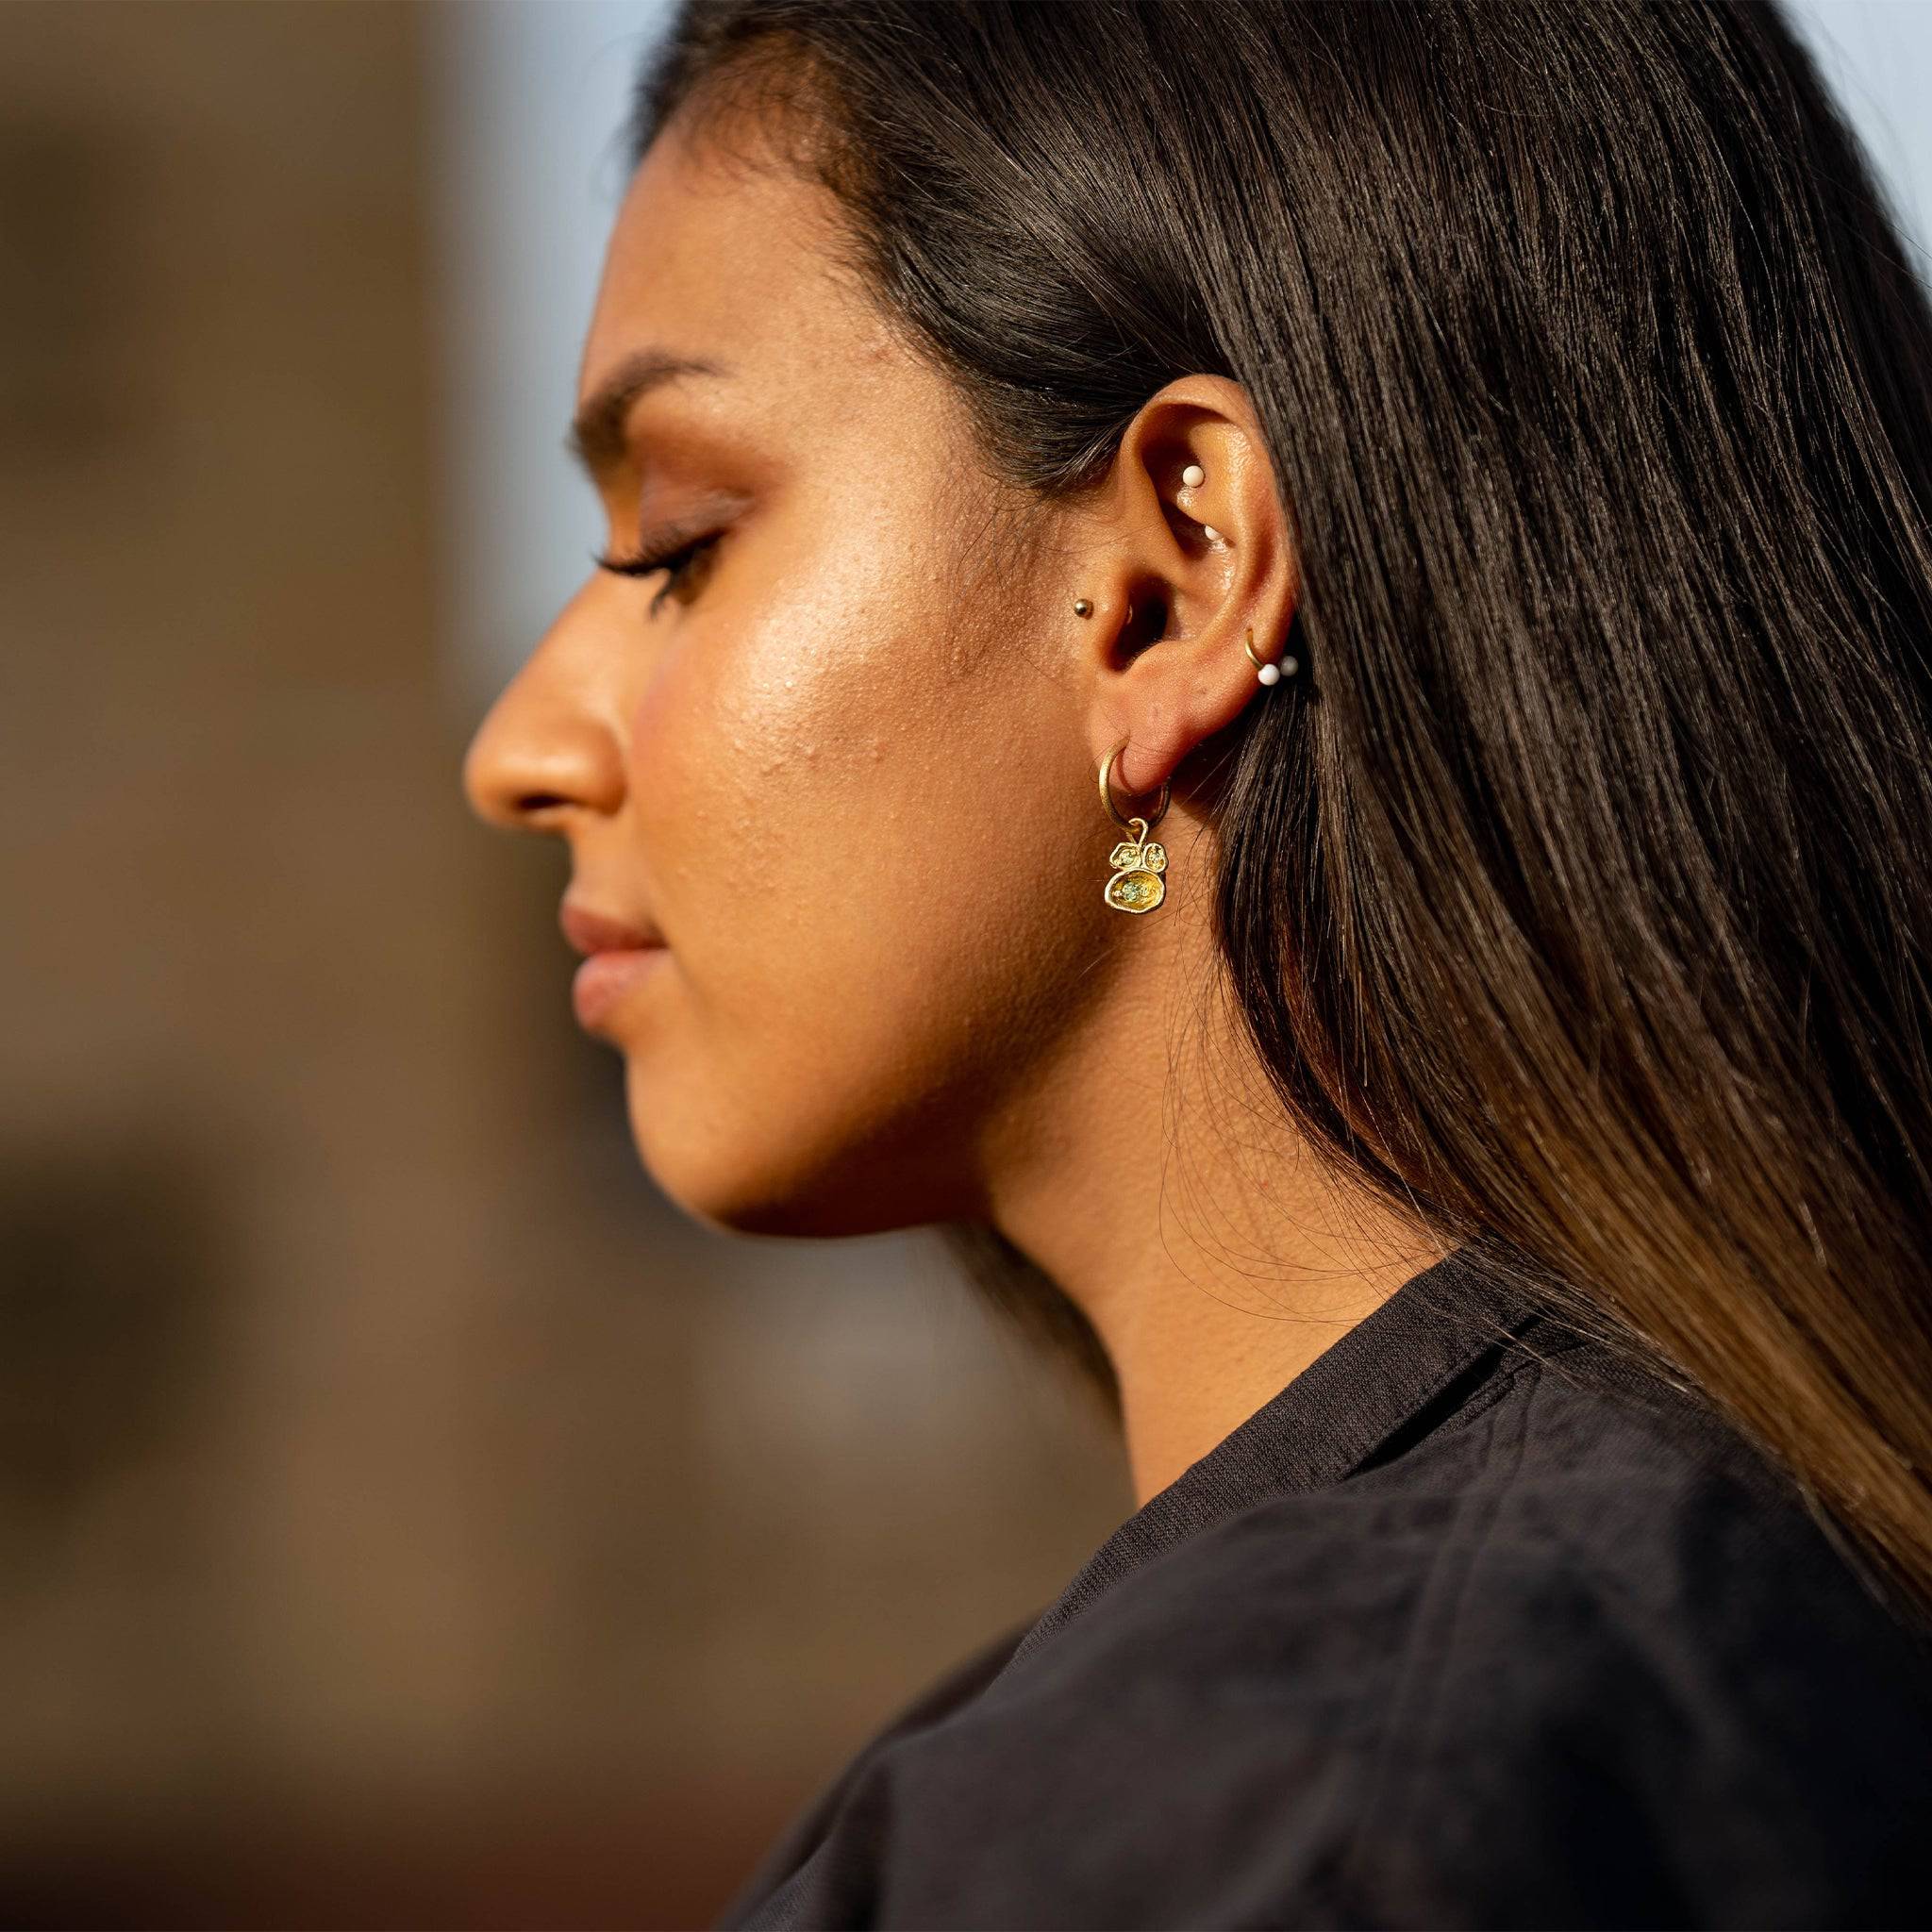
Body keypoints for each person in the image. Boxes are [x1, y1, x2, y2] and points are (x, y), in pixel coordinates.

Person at [460, 1, 1932, 1923]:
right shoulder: (1689, 1618)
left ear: (1165, 580)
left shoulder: (1257, 1814)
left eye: (682, 540)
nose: (524, 746)